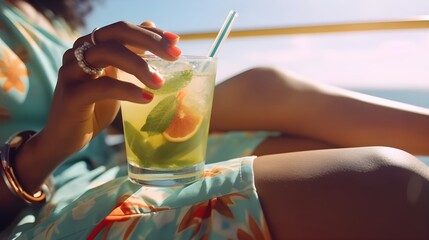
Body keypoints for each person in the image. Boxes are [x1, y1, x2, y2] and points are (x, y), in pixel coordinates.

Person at [1, 0, 429, 239]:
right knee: (385, 180)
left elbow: (111, 117)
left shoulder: (51, 15)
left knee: (269, 91)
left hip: (113, 161)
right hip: (36, 204)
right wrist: (49, 146)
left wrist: (110, 102)